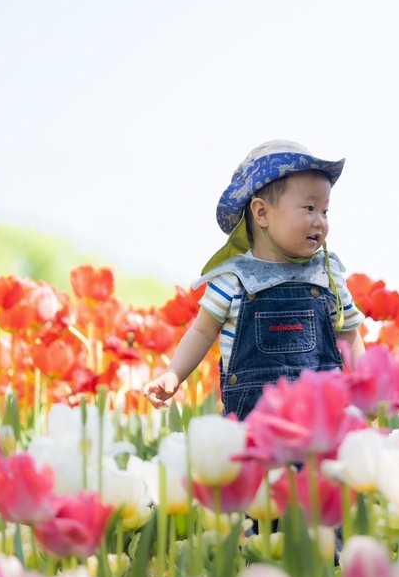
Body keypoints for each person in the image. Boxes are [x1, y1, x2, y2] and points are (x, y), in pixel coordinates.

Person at [144, 139, 365, 417]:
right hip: (253, 422)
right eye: (309, 208)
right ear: (262, 213)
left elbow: (349, 334)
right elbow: (202, 331)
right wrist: (173, 374)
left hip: (319, 421)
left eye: (325, 211)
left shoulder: (326, 275)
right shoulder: (233, 278)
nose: (320, 221)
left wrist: (368, 389)